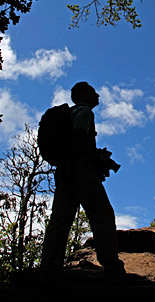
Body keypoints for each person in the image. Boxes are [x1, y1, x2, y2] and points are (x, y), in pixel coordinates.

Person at [39, 81, 125, 283]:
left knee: (59, 222)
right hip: (81, 172)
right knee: (103, 215)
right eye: (93, 92)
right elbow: (78, 142)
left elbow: (75, 144)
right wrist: (97, 158)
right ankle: (112, 268)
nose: (98, 95)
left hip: (64, 172)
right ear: (83, 95)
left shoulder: (71, 114)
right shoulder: (84, 112)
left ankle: (49, 271)